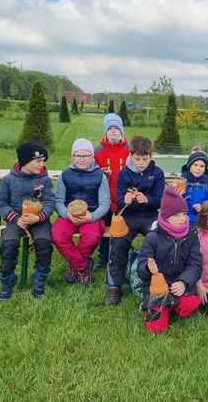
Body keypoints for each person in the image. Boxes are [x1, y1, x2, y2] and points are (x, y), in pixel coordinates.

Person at [105, 135, 165, 306]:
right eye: (137, 159)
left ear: (151, 156)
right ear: (130, 156)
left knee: (160, 240)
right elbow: (118, 203)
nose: (140, 163)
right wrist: (126, 201)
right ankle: (113, 286)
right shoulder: (124, 174)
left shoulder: (157, 173)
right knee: (118, 243)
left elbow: (161, 200)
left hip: (150, 216)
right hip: (128, 217)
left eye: (144, 159)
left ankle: (159, 278)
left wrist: (148, 199)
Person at [0, 140, 55, 300]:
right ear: (25, 161)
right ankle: (7, 280)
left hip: (39, 221)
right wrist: (15, 218)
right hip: (15, 221)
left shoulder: (45, 180)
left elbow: (50, 202)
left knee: (44, 245)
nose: (42, 164)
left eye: (44, 161)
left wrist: (39, 217)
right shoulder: (8, 180)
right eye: (38, 161)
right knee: (8, 245)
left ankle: (39, 278)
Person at [137, 187, 202, 333]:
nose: (182, 218)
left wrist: (184, 282)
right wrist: (149, 269)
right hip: (158, 289)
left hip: (180, 285)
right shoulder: (152, 237)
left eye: (184, 214)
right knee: (155, 328)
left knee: (191, 304)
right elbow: (141, 266)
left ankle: (171, 305)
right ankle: (158, 305)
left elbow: (195, 264)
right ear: (166, 217)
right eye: (177, 215)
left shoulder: (192, 234)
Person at [52, 138, 110, 286]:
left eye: (86, 156)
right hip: (68, 214)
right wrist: (67, 214)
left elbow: (105, 203)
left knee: (91, 237)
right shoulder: (65, 174)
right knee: (57, 235)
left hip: (91, 214)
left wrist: (91, 216)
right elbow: (58, 200)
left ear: (92, 156)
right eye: (78, 155)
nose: (82, 159)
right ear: (73, 156)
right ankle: (83, 266)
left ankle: (74, 266)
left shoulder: (100, 176)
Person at [94, 113, 130, 269]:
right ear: (105, 131)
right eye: (110, 128)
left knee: (122, 229)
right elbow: (93, 172)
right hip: (105, 198)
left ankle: (121, 255)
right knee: (104, 227)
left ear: (121, 131)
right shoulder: (98, 150)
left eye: (116, 128)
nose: (113, 131)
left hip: (123, 197)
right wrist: (102, 173)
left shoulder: (129, 149)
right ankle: (103, 256)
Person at [179, 147, 208, 226]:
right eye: (195, 165)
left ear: (205, 168)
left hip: (203, 222)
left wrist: (203, 208)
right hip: (184, 222)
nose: (198, 169)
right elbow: (172, 203)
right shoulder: (182, 182)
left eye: (202, 166)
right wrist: (177, 196)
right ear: (189, 165)